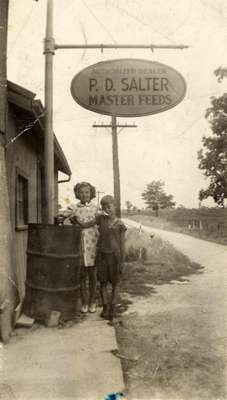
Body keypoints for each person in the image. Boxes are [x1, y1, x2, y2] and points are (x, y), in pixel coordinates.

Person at [60, 182, 99, 314]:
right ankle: (84, 302)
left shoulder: (95, 208)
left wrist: (81, 223)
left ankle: (93, 301)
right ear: (77, 194)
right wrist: (69, 218)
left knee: (93, 275)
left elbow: (97, 220)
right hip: (79, 245)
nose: (84, 195)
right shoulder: (74, 208)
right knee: (82, 275)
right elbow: (63, 215)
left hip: (93, 245)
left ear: (91, 194)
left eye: (87, 192)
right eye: (81, 192)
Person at [96, 195, 127, 320]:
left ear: (115, 206)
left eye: (109, 206)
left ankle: (113, 307)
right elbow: (90, 220)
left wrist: (122, 261)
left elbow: (122, 244)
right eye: (104, 207)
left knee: (115, 283)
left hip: (115, 257)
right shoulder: (101, 219)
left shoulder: (120, 224)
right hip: (103, 256)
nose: (107, 209)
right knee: (103, 283)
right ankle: (105, 307)